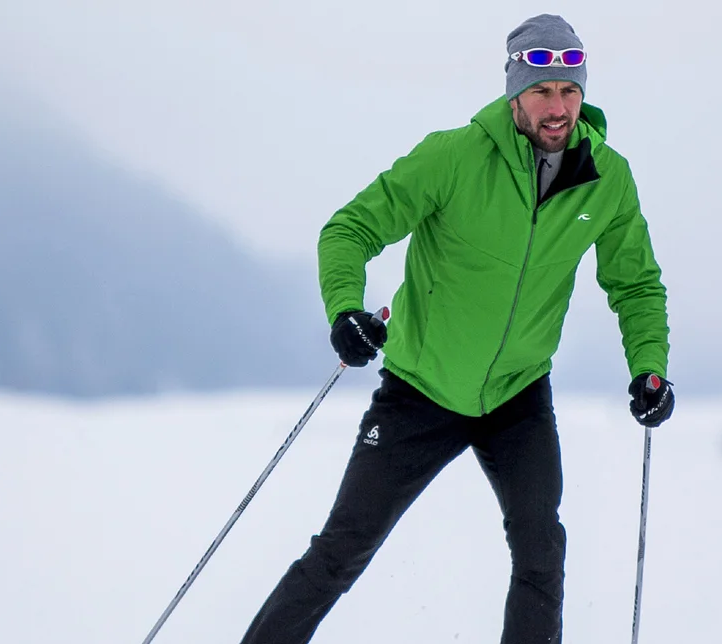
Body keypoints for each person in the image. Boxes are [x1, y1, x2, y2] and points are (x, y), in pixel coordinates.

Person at [237, 13, 675, 644]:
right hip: (420, 389)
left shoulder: (608, 180)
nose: (559, 108)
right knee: (341, 550)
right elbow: (349, 230)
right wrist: (345, 311)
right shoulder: (453, 157)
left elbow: (635, 284)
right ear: (515, 92)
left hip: (518, 395)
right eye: (543, 91)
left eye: (571, 90)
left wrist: (649, 367)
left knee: (540, 552)